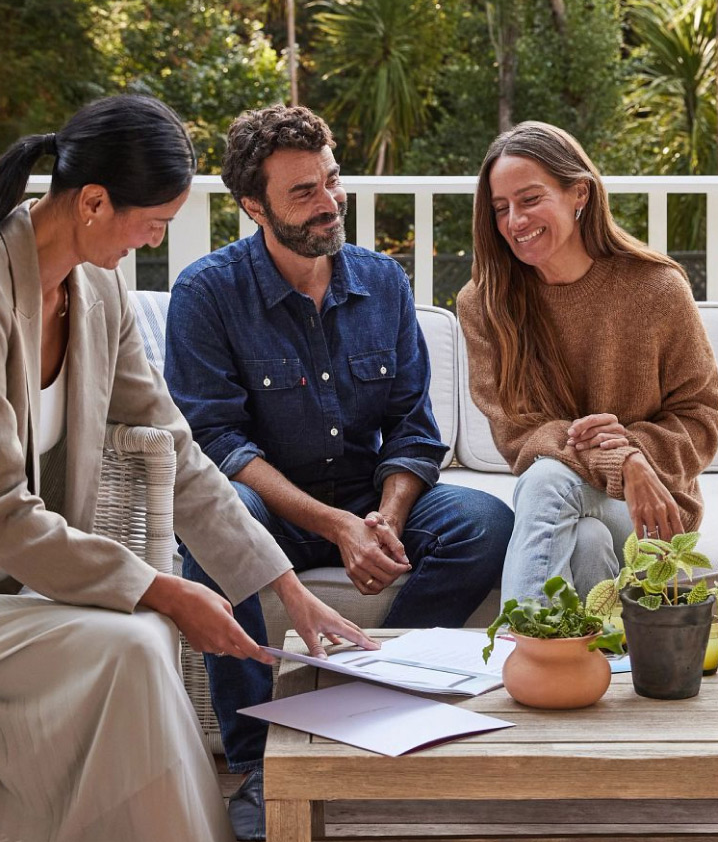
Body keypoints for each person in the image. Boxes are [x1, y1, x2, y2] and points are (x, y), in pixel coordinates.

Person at [0, 94, 374, 842]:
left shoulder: (98, 291)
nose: (155, 240)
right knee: (132, 640)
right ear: (92, 201)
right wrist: (164, 588)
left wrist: (283, 585)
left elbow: (178, 449)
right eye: (152, 222)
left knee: (144, 640)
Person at [165, 104, 513, 840]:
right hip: (272, 515)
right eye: (303, 192)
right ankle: (261, 760)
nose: (328, 203)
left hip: (365, 496)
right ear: (252, 206)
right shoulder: (206, 294)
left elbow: (415, 426)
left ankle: (380, 701)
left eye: (332, 180)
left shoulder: (382, 281)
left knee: (484, 522)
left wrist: (384, 516)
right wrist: (332, 525)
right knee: (216, 525)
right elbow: (216, 442)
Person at [457, 121, 718, 607]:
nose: (515, 220)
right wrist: (620, 458)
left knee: (546, 479)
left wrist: (639, 456)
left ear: (578, 193)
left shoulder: (655, 287)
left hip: (653, 510)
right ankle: (598, 664)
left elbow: (702, 418)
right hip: (569, 498)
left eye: (530, 199)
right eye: (501, 209)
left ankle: (523, 653)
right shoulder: (486, 303)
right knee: (587, 541)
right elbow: (517, 433)